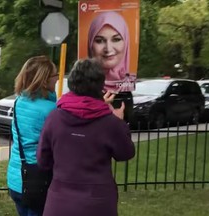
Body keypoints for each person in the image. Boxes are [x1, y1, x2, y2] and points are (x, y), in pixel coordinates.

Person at [37, 58, 135, 216]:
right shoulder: (110, 123)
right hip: (98, 204)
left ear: (72, 82)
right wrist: (120, 122)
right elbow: (126, 152)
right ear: (100, 85)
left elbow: (43, 160)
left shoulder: (54, 118)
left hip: (60, 203)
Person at [7, 55, 59, 216]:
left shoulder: (19, 102)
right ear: (44, 80)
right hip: (39, 181)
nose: (58, 79)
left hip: (17, 178)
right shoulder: (51, 110)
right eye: (55, 75)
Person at [88, 11, 135, 122]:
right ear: (90, 44)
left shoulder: (127, 86)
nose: (108, 48)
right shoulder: (85, 87)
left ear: (126, 42)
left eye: (116, 39)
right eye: (99, 40)